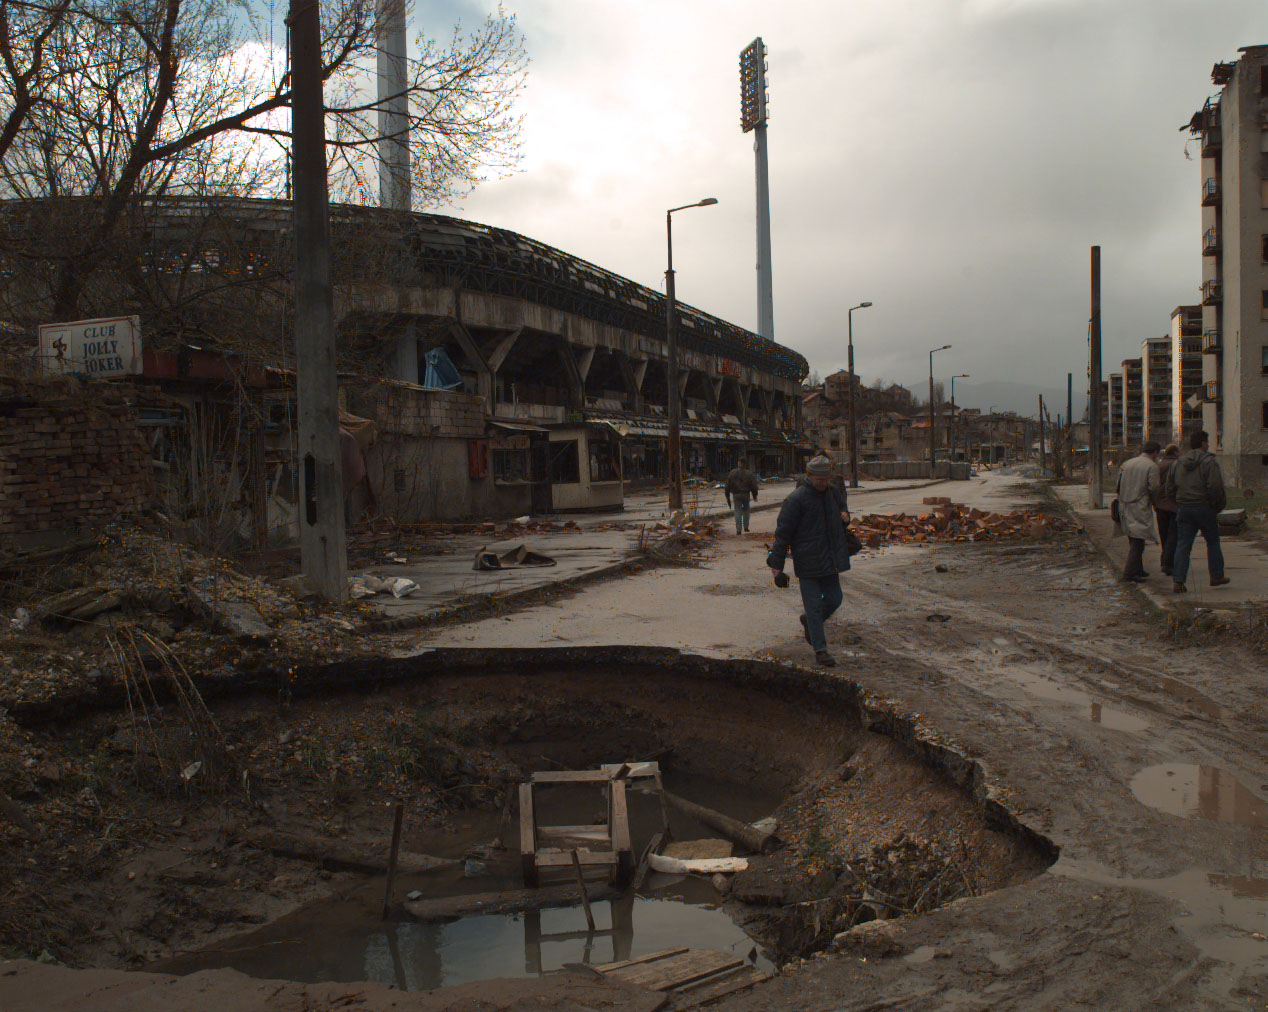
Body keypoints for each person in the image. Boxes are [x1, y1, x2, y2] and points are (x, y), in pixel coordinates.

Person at [767, 455, 851, 666]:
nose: (822, 483)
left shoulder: (833, 494)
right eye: (818, 479)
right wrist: (776, 567)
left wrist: (845, 516)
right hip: (807, 562)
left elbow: (843, 510)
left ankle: (809, 622)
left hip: (830, 560)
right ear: (809, 476)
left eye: (825, 479)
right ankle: (820, 650)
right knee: (813, 607)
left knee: (834, 599)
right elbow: (783, 535)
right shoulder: (796, 499)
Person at [1164, 430, 1229, 593]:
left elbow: (1169, 487)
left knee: (1183, 545)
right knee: (1213, 542)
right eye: (1207, 442)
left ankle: (1178, 581)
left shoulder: (1177, 463)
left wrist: (1176, 504)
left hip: (1184, 508)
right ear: (1203, 443)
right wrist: (1217, 506)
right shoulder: (1209, 462)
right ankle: (1216, 576)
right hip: (1204, 507)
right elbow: (1215, 487)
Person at [1114, 441, 1160, 582]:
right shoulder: (1151, 466)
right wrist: (1156, 504)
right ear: (1155, 453)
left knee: (1133, 537)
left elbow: (1118, 485)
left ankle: (1138, 569)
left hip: (1124, 504)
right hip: (1140, 504)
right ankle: (1129, 573)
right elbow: (1154, 488)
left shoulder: (1127, 464)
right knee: (1138, 541)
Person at [1155, 444, 1180, 575]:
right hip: (1173, 504)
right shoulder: (1177, 465)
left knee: (1164, 534)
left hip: (1160, 504)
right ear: (1175, 453)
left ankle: (1165, 559)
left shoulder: (1158, 465)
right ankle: (1168, 562)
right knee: (1173, 535)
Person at [724, 460, 759, 535]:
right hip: (746, 494)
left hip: (736, 494)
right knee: (746, 510)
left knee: (737, 511)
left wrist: (727, 496)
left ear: (739, 463)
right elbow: (754, 486)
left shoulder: (732, 472)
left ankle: (738, 530)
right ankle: (746, 527)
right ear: (745, 464)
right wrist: (755, 495)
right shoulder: (749, 473)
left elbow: (727, 485)